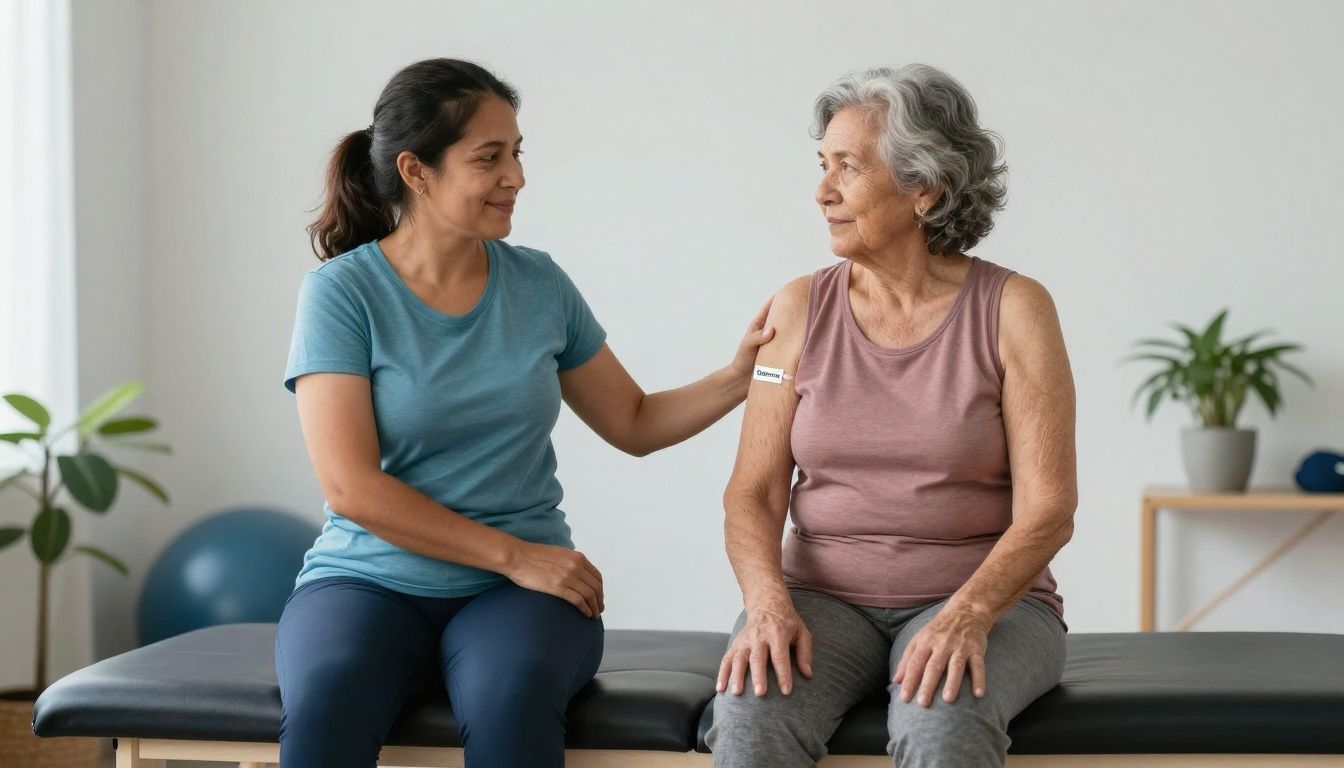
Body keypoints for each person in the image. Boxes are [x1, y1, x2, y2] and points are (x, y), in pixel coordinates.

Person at [277, 58, 772, 768]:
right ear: (417, 172)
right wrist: (518, 556)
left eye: (516, 152)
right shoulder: (341, 294)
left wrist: (737, 377)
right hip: (369, 580)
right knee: (328, 696)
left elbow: (632, 420)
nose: (517, 176)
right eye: (490, 157)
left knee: (509, 698)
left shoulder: (538, 284)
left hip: (514, 596)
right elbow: (352, 487)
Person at [707, 64, 1077, 768]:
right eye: (822, 165)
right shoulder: (796, 309)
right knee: (751, 716)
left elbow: (1049, 510)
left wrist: (966, 616)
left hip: (986, 599)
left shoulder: (1015, 310)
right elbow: (751, 492)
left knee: (943, 720)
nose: (822, 191)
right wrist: (766, 604)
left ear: (924, 187)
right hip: (821, 598)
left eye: (848, 167)